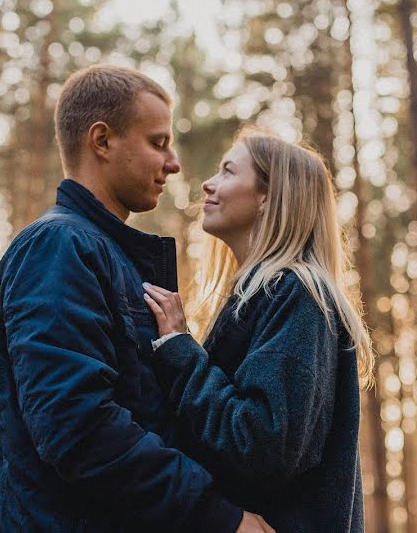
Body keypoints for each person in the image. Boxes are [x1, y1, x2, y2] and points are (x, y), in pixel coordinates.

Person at [0, 66, 273, 532]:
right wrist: (218, 516)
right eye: (158, 142)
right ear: (102, 141)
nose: (172, 163)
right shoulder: (58, 247)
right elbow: (77, 427)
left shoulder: (104, 255)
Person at [142, 130, 374, 533]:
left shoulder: (298, 294)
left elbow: (264, 446)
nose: (208, 184)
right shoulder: (262, 298)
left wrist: (181, 353)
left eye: (228, 171)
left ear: (269, 195)